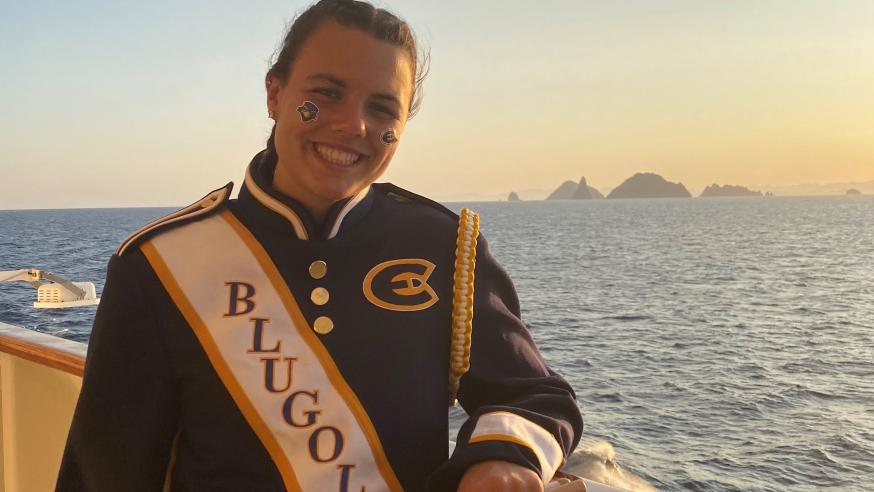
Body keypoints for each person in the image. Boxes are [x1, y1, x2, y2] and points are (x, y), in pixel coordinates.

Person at [56, 1, 583, 491]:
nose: (353, 125)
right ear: (274, 94)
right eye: (327, 93)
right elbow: (106, 472)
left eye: (382, 109)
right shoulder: (158, 265)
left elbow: (534, 394)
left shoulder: (443, 246)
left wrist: (506, 456)